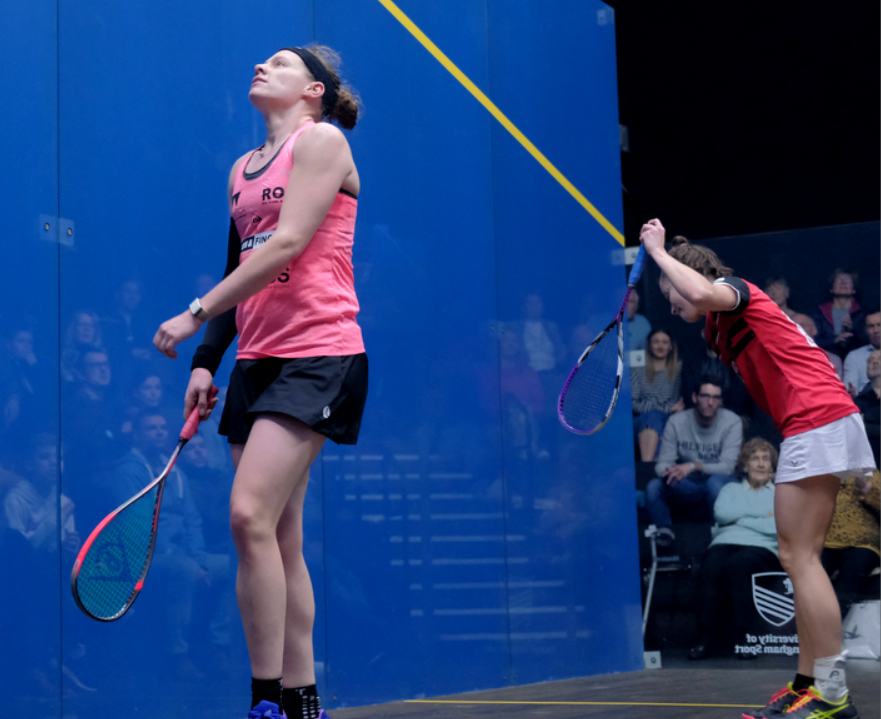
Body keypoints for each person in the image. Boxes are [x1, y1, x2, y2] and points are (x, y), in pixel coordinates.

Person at [153, 45, 366, 719]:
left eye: (279, 63)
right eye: (261, 61)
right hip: (255, 361)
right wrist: (206, 361)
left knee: (247, 515)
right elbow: (237, 265)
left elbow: (288, 242)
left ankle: (265, 700)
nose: (260, 67)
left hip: (319, 353)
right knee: (278, 536)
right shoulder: (241, 171)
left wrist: (193, 314)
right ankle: (302, 700)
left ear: (314, 89)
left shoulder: (323, 142)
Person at [640, 219, 875, 719]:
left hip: (817, 417)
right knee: (798, 558)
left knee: (800, 558)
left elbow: (699, 292)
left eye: (669, 290)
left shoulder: (735, 291)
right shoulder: (717, 325)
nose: (670, 302)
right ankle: (809, 685)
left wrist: (659, 252)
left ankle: (833, 695)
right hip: (814, 420)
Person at [688, 438, 782, 660]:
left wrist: (740, 520)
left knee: (738, 564)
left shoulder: (779, 493)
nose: (761, 464)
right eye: (755, 459)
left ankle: (746, 637)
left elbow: (776, 526)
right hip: (725, 542)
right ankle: (704, 637)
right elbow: (721, 514)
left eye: (766, 459)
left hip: (763, 547)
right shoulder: (730, 489)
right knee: (712, 565)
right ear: (745, 465)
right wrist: (762, 515)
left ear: (772, 466)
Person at [645, 378, 742, 544]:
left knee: (713, 484)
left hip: (721, 481)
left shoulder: (732, 421)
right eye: (705, 396)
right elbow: (663, 462)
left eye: (716, 397)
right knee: (654, 487)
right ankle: (667, 543)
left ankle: (727, 541)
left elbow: (727, 467)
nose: (710, 402)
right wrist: (669, 472)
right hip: (687, 483)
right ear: (695, 397)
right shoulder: (677, 421)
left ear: (721, 401)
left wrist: (693, 466)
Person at [822, 470, 880, 619]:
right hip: (823, 542)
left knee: (853, 571)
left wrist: (866, 487)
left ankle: (831, 625)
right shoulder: (821, 472)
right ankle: (801, 628)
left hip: (862, 544)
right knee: (809, 573)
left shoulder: (869, 472)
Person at [631, 329, 685, 461]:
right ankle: (648, 465)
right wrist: (666, 409)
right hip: (642, 420)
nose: (660, 346)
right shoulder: (637, 369)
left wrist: (670, 410)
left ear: (671, 346)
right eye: (656, 342)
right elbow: (633, 404)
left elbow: (678, 403)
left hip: (668, 419)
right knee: (652, 417)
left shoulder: (679, 369)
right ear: (649, 344)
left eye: (665, 342)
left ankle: (649, 467)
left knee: (662, 422)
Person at [812, 269, 867, 361]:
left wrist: (853, 330)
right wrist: (835, 340)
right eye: (839, 280)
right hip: (826, 359)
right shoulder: (820, 312)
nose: (843, 283)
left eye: (847, 281)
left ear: (854, 290)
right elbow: (813, 339)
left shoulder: (862, 313)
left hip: (857, 359)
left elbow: (868, 341)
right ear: (831, 289)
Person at [843, 310, 880, 396]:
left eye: (879, 325)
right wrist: (851, 394)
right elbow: (850, 387)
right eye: (871, 326)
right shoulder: (854, 356)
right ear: (866, 330)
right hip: (866, 401)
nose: (876, 330)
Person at [853, 349, 880, 467]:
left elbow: (862, 429)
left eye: (879, 359)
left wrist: (866, 425)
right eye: (870, 360)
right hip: (869, 467)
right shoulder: (858, 401)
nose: (874, 362)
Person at [626, 287, 652, 351]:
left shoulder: (642, 323)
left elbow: (648, 352)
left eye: (630, 302)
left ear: (636, 306)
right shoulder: (603, 322)